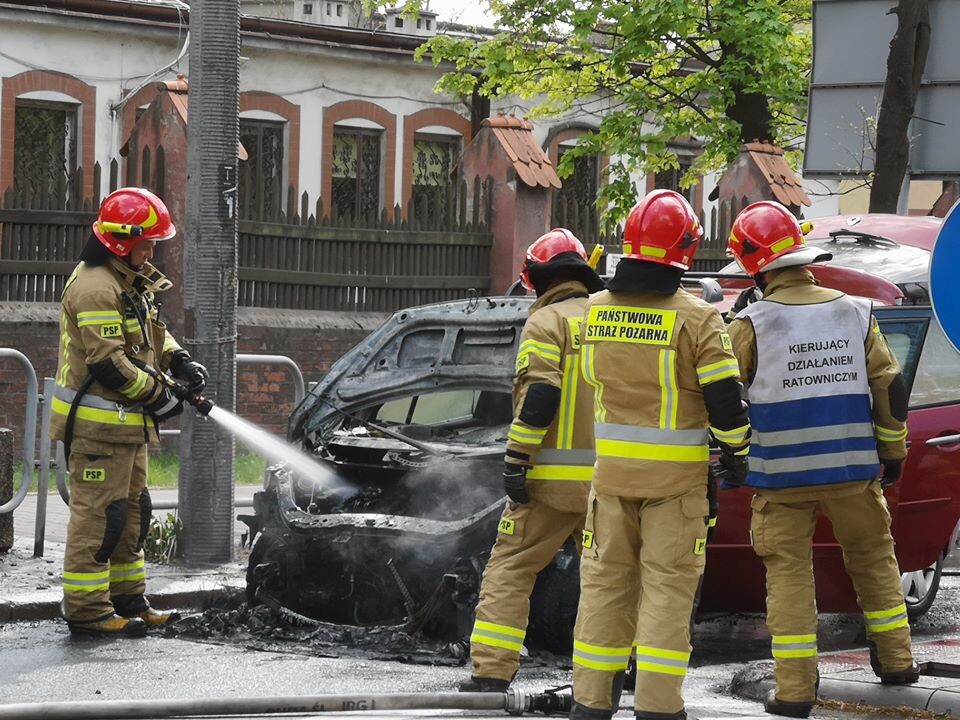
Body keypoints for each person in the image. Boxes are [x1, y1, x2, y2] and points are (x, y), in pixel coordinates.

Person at [725, 201, 917, 718]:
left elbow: (725, 394)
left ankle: (793, 693)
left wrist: (729, 457)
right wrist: (892, 450)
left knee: (788, 576)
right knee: (875, 559)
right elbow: (890, 387)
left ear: (753, 264)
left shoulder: (750, 323)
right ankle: (897, 661)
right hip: (853, 472)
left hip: (781, 479)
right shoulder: (854, 310)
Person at [570, 190, 751, 720]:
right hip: (675, 488)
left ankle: (590, 702)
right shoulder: (697, 319)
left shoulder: (593, 313)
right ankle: (657, 708)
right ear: (686, 250)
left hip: (609, 483)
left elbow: (590, 382)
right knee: (667, 595)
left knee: (604, 589)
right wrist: (736, 455)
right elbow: (724, 400)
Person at [50, 187, 208, 637]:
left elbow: (150, 333)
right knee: (98, 520)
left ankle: (128, 600)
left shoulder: (126, 279)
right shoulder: (95, 287)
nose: (153, 249)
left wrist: (177, 359)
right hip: (98, 430)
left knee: (131, 515)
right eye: (148, 242)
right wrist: (161, 398)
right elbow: (108, 363)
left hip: (126, 428)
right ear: (122, 241)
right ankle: (87, 610)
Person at [459, 228, 605, 692]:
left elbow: (540, 396)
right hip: (610, 482)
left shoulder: (546, 323)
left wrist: (516, 461)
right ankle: (612, 676)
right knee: (610, 578)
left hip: (549, 483)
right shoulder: (614, 318)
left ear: (535, 279)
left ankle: (492, 673)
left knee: (511, 567)